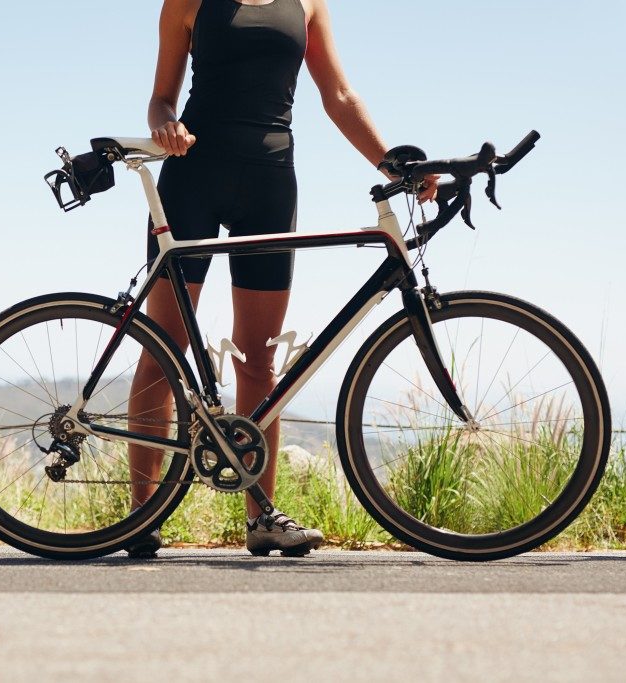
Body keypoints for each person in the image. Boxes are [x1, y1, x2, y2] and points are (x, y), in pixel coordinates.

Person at [125, 0, 437, 558]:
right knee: (162, 349)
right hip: (192, 178)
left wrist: (392, 163)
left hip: (270, 183)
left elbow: (338, 97)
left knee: (259, 358)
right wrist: (163, 123)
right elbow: (161, 97)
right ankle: (140, 517)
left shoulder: (309, 4)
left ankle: (262, 519)